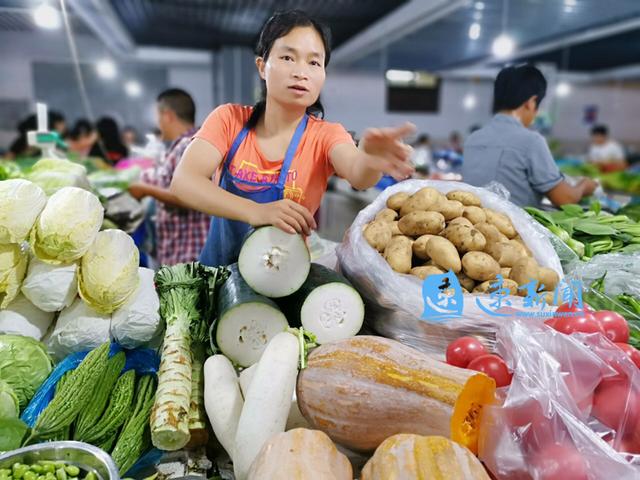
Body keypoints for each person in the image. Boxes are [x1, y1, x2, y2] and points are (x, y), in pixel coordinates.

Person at [170, 10, 415, 266]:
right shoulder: (229, 120)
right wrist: (257, 211)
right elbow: (184, 181)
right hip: (218, 273)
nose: (301, 72)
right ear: (262, 66)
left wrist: (370, 160)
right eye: (288, 57)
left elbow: (359, 174)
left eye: (314, 62)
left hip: (285, 278)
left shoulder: (325, 135)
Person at [462, 64, 597, 208]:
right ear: (531, 103)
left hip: (474, 224)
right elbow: (565, 198)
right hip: (514, 228)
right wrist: (584, 186)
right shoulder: (531, 141)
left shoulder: (473, 139)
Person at [128, 88, 211, 266]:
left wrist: (145, 189)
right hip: (179, 251)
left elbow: (189, 197)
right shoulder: (182, 146)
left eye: (158, 117)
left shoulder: (188, 147)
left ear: (167, 116)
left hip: (189, 256)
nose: (159, 123)